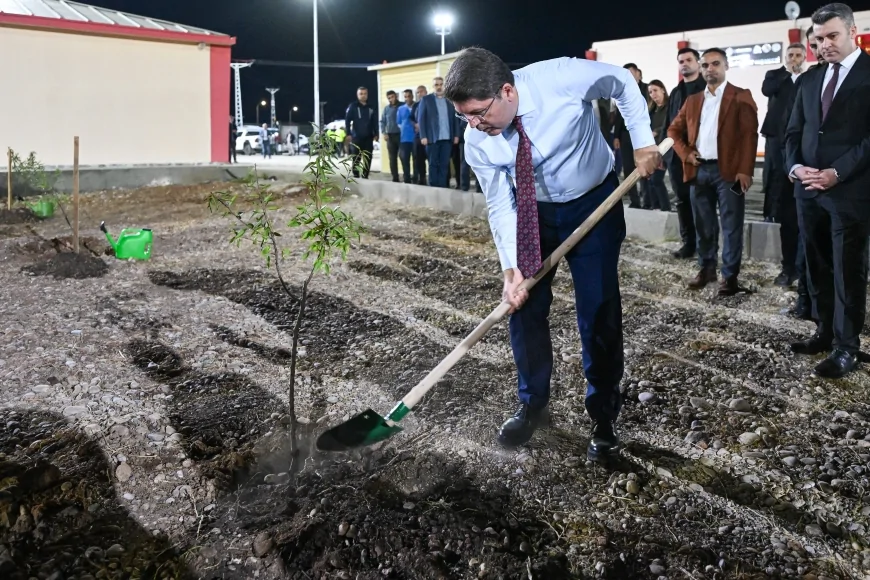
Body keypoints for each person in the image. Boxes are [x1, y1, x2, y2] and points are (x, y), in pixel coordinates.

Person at [444, 47, 660, 463]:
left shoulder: (560, 77)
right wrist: (510, 268)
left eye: (477, 112)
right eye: (464, 116)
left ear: (507, 91)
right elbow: (500, 203)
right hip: (533, 213)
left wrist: (643, 142)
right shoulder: (479, 140)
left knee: (598, 310)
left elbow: (621, 82)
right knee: (522, 308)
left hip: (594, 202)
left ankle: (603, 417)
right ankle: (532, 403)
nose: (472, 124)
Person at [786, 2, 870, 379]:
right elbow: (793, 133)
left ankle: (847, 346)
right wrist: (795, 167)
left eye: (832, 36)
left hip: (849, 191)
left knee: (847, 271)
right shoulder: (808, 80)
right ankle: (823, 330)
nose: (824, 45)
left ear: (853, 32)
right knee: (816, 264)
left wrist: (837, 172)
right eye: (818, 39)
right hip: (808, 191)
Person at [668, 48, 759, 296]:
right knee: (704, 225)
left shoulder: (741, 96)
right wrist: (686, 154)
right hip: (700, 172)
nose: (710, 69)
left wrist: (746, 171)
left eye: (715, 64)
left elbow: (750, 137)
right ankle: (706, 269)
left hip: (729, 173)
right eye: (706, 65)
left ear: (726, 66)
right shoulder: (693, 100)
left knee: (731, 226)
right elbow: (673, 132)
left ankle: (729, 278)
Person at [664, 48, 707, 259]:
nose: (684, 64)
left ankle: (704, 246)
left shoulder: (707, 88)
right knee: (681, 201)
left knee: (701, 202)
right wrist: (664, 154)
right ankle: (688, 244)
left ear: (698, 63)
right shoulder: (676, 91)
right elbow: (669, 124)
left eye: (689, 60)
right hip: (675, 158)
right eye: (681, 60)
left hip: (699, 156)